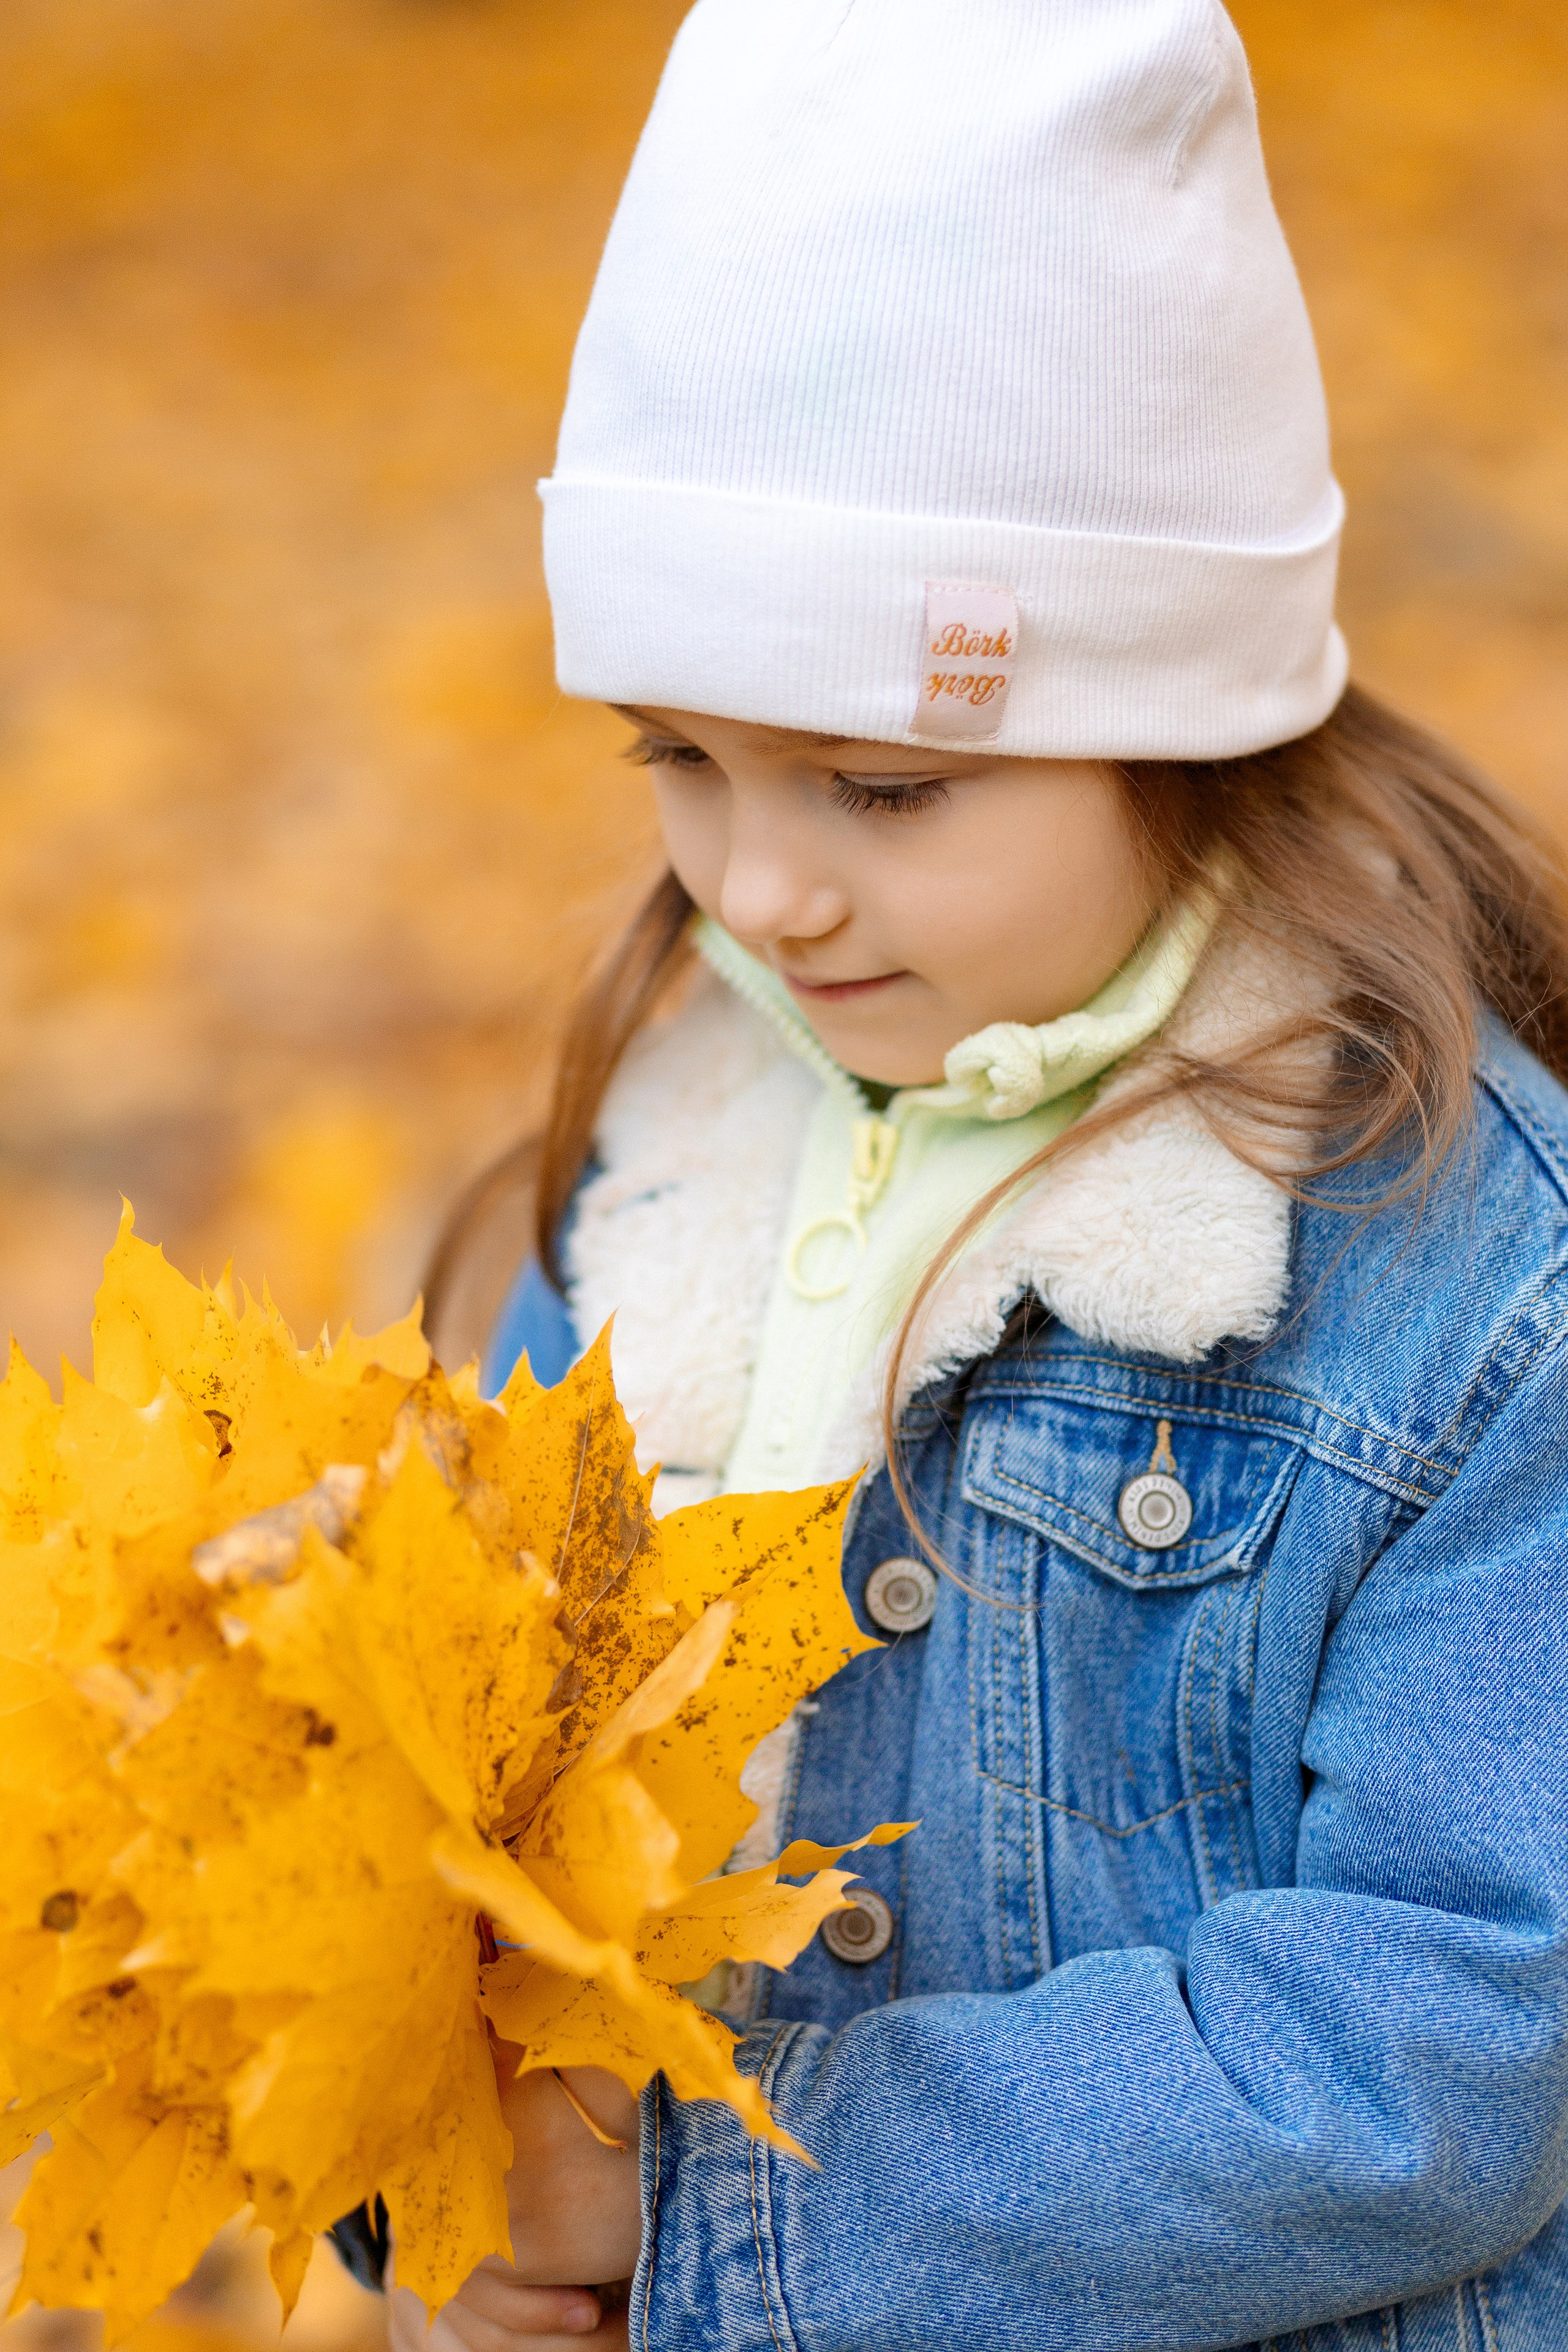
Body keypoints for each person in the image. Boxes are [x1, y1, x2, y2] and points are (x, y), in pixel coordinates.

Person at [380, 1, 1568, 2343]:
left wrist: (727, 2214)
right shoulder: (668, 1175)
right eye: (681, 757)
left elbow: (1461, 2024)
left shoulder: (1470, 1280)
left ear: (1176, 708)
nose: (766, 892)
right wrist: (455, 2212)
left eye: (882, 790)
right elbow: (450, 1816)